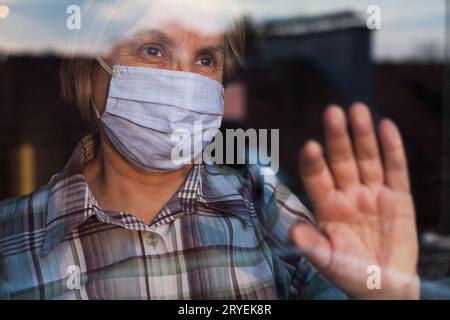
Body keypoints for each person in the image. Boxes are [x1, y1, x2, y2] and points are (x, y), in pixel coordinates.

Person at [0, 2, 419, 300]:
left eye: (205, 60)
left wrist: (385, 294)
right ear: (89, 70)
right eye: (153, 50)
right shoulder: (11, 239)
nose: (183, 81)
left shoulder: (263, 203)